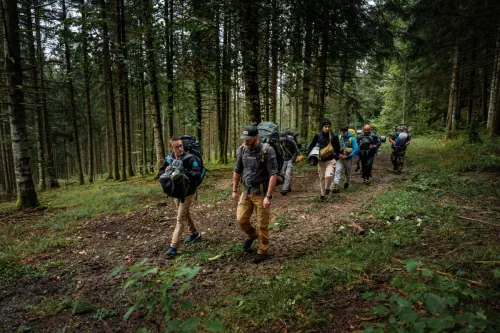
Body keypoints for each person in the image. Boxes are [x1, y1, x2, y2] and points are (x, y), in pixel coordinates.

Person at [233, 125, 278, 264]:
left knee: (262, 224)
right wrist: (234, 189)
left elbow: (273, 174)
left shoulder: (267, 150)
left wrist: (268, 196)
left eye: (248, 139)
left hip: (261, 193)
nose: (245, 142)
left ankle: (262, 250)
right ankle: (252, 235)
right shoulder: (241, 150)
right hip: (246, 191)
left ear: (256, 137)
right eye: (244, 139)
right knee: (241, 219)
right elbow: (237, 170)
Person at [159, 137, 203, 256]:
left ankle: (173, 247)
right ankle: (194, 234)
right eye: (177, 146)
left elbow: (197, 174)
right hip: (175, 192)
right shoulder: (169, 158)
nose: (180, 148)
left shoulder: (190, 158)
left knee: (180, 219)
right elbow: (160, 172)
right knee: (185, 213)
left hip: (188, 192)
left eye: (181, 145)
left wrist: (183, 172)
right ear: (172, 148)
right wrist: (166, 171)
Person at [307, 119, 341, 200]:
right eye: (325, 126)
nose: (327, 128)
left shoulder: (334, 136)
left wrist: (336, 158)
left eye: (329, 127)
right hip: (321, 161)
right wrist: (311, 157)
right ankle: (322, 195)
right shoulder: (318, 136)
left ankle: (327, 188)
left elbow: (338, 148)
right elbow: (311, 147)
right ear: (322, 127)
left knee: (329, 175)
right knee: (322, 178)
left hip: (330, 160)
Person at [332, 125, 359, 192]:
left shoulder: (352, 139)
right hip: (340, 157)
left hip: (348, 157)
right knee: (337, 170)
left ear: (347, 131)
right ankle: (336, 185)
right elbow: (335, 147)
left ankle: (347, 182)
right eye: (341, 132)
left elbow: (356, 148)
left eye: (344, 132)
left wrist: (348, 156)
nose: (343, 133)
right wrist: (338, 154)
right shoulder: (339, 137)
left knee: (347, 171)